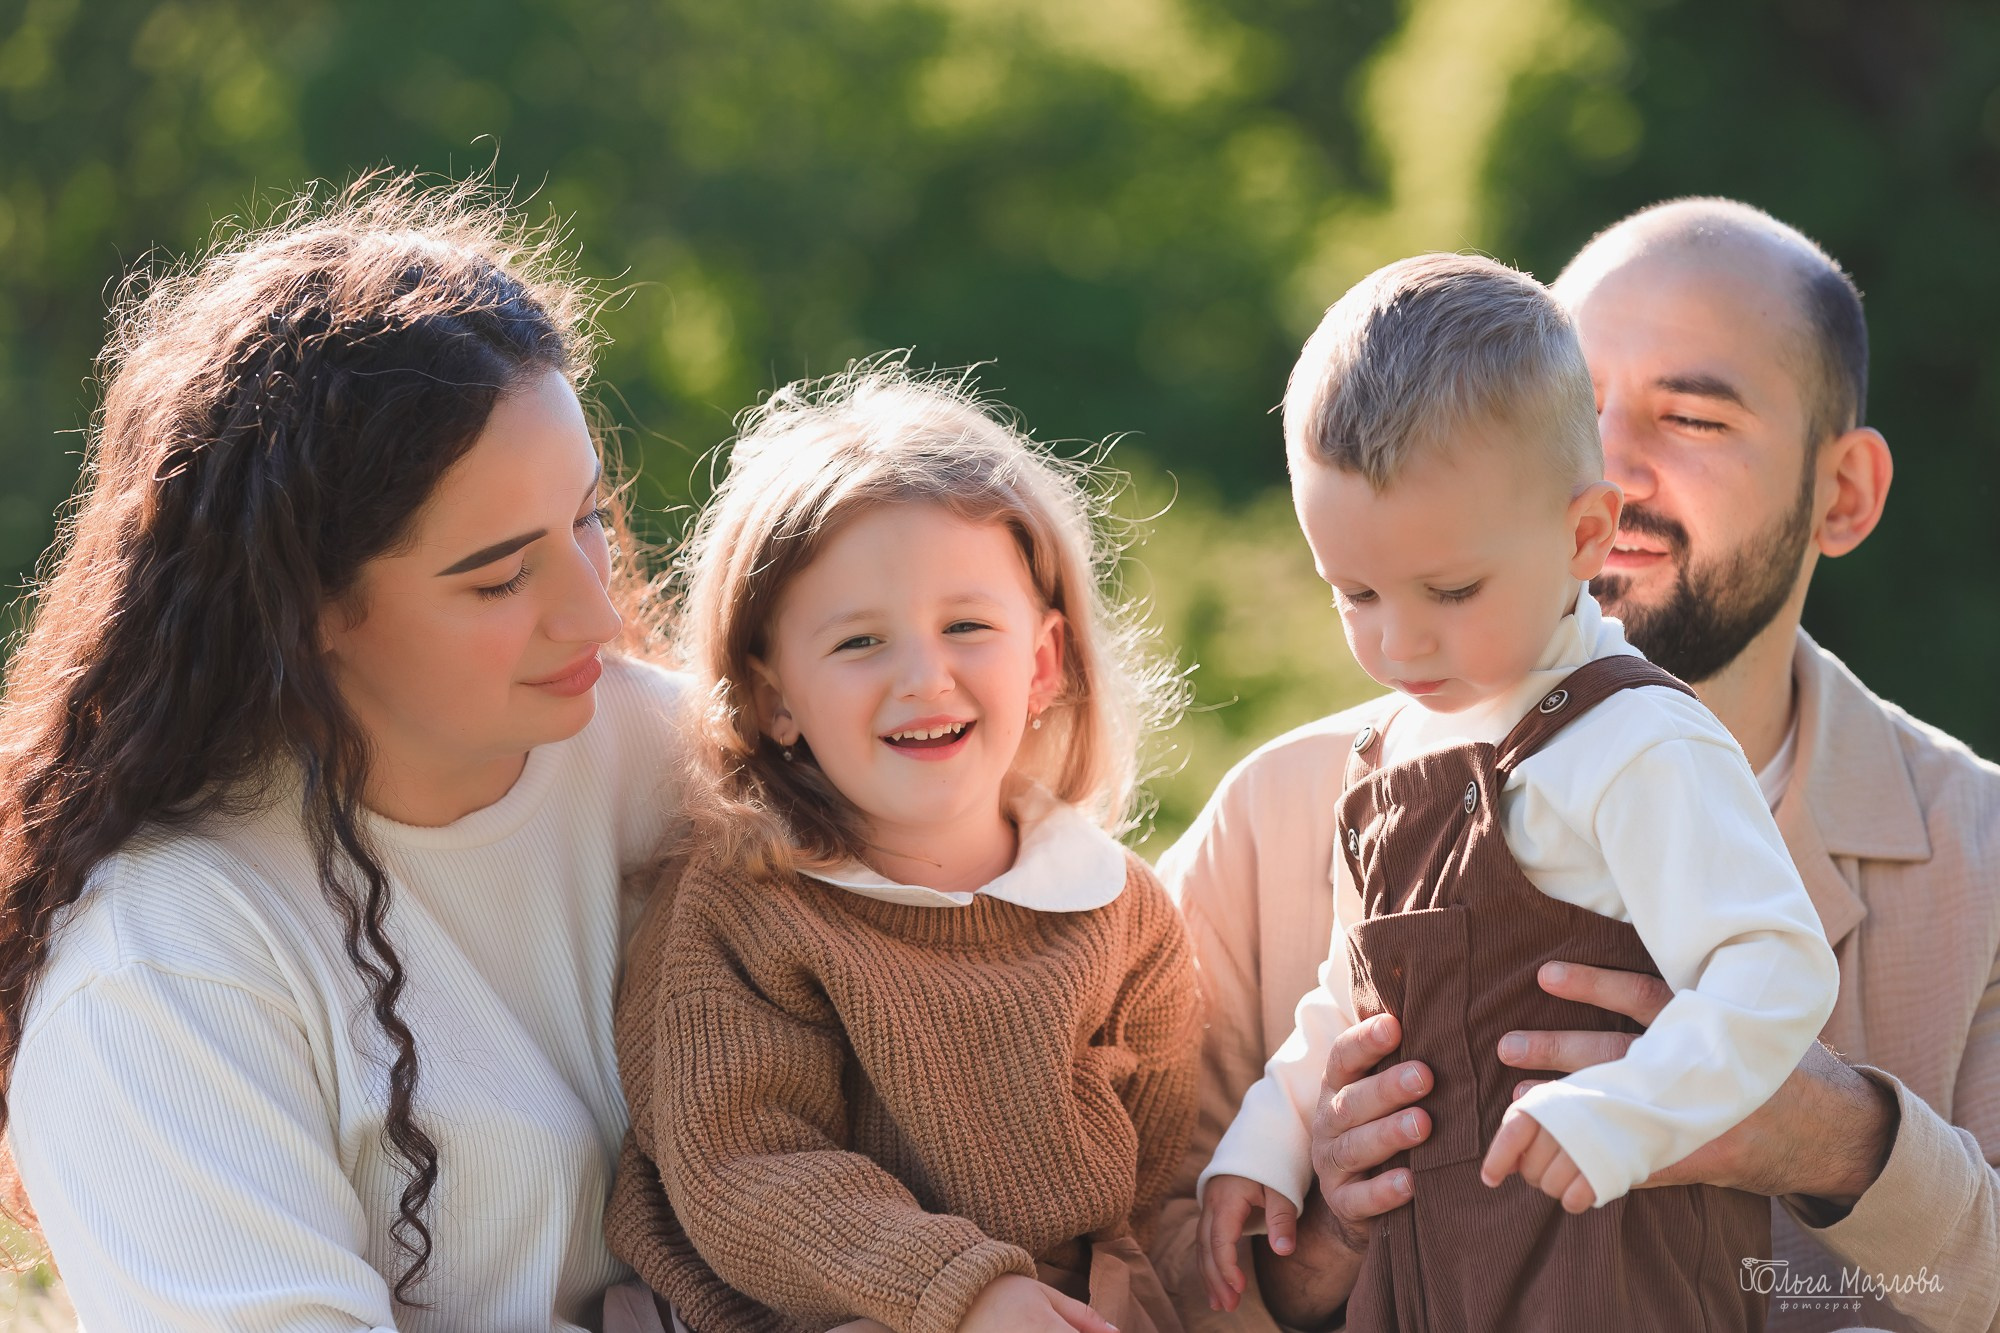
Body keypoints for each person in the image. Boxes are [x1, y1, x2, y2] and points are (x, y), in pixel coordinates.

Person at [1153, 199, 2000, 1333]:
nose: (1613, 458)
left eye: (1691, 417)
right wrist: (1319, 1244)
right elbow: (1123, 1259)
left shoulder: (1985, 866)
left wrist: (1839, 1143)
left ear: (1841, 491)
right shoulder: (1277, 814)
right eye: (1577, 402)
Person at [0, 177, 692, 1331]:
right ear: (306, 606)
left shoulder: (693, 767)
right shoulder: (163, 966)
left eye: (587, 521)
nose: (597, 614)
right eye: (500, 576)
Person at [602, 367, 1203, 1333]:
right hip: (797, 1309)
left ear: (1042, 662)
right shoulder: (747, 900)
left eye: (967, 626)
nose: (926, 676)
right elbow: (744, 1169)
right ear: (774, 697)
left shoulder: (1120, 912)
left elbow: (1141, 1194)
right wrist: (968, 1291)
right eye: (860, 643)